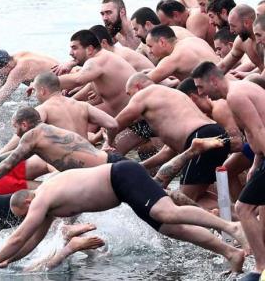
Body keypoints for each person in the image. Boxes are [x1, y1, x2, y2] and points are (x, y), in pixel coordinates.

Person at [0, 161, 248, 278]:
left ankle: (230, 227)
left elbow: (20, 235)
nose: (28, 218)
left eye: (24, 215)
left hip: (121, 176)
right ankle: (230, 253)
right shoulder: (46, 204)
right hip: (123, 188)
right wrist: (10, 260)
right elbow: (32, 239)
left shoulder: (42, 198)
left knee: (167, 213)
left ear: (26, 202)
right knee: (171, 229)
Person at [192, 61, 265, 278]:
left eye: (201, 87)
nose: (200, 93)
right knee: (261, 207)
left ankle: (261, 267)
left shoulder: (235, 96)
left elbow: (259, 130)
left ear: (214, 80)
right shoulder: (241, 89)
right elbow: (256, 132)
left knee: (243, 208)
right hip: (262, 157)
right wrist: (255, 164)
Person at [109, 73, 230, 204]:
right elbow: (168, 152)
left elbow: (115, 124)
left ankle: (234, 222)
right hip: (215, 134)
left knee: (184, 200)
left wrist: (108, 142)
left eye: (129, 94)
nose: (130, 99)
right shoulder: (170, 98)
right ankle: (238, 217)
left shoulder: (144, 94)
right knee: (197, 197)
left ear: (138, 87)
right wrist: (140, 167)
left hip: (201, 137)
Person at [0, 107, 125, 191]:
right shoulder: (46, 130)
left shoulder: (32, 136)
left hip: (107, 170)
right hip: (107, 166)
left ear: (24, 125)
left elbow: (9, 164)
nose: (15, 132)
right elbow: (14, 155)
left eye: (15, 127)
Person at [177, 78, 247, 199]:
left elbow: (237, 143)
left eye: (186, 106)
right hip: (251, 141)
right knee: (223, 170)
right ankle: (238, 208)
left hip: (254, 142)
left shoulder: (218, 108)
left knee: (226, 170)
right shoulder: (208, 113)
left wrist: (205, 146)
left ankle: (242, 209)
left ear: (192, 98)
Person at [53, 30, 137, 116]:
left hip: (137, 121)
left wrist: (45, 82)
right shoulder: (103, 57)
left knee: (75, 116)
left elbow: (78, 80)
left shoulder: (97, 61)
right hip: (123, 113)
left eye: (74, 48)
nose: (70, 53)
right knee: (76, 112)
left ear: (89, 49)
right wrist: (70, 103)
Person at [145, 25, 219, 83]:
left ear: (162, 42)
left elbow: (142, 83)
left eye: (150, 46)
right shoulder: (195, 40)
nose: (149, 51)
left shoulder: (174, 57)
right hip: (226, 79)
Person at [129, 7, 195, 63]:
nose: (135, 34)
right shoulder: (176, 29)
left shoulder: (174, 35)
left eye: (136, 29)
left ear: (148, 25)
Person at [219, 4, 264, 75]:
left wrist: (250, 77)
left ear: (246, 23)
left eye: (233, 26)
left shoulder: (263, 40)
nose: (231, 31)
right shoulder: (241, 42)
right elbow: (223, 66)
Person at [89, 24, 154, 71]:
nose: (91, 52)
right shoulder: (115, 53)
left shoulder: (120, 56)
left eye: (93, 47)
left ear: (104, 43)